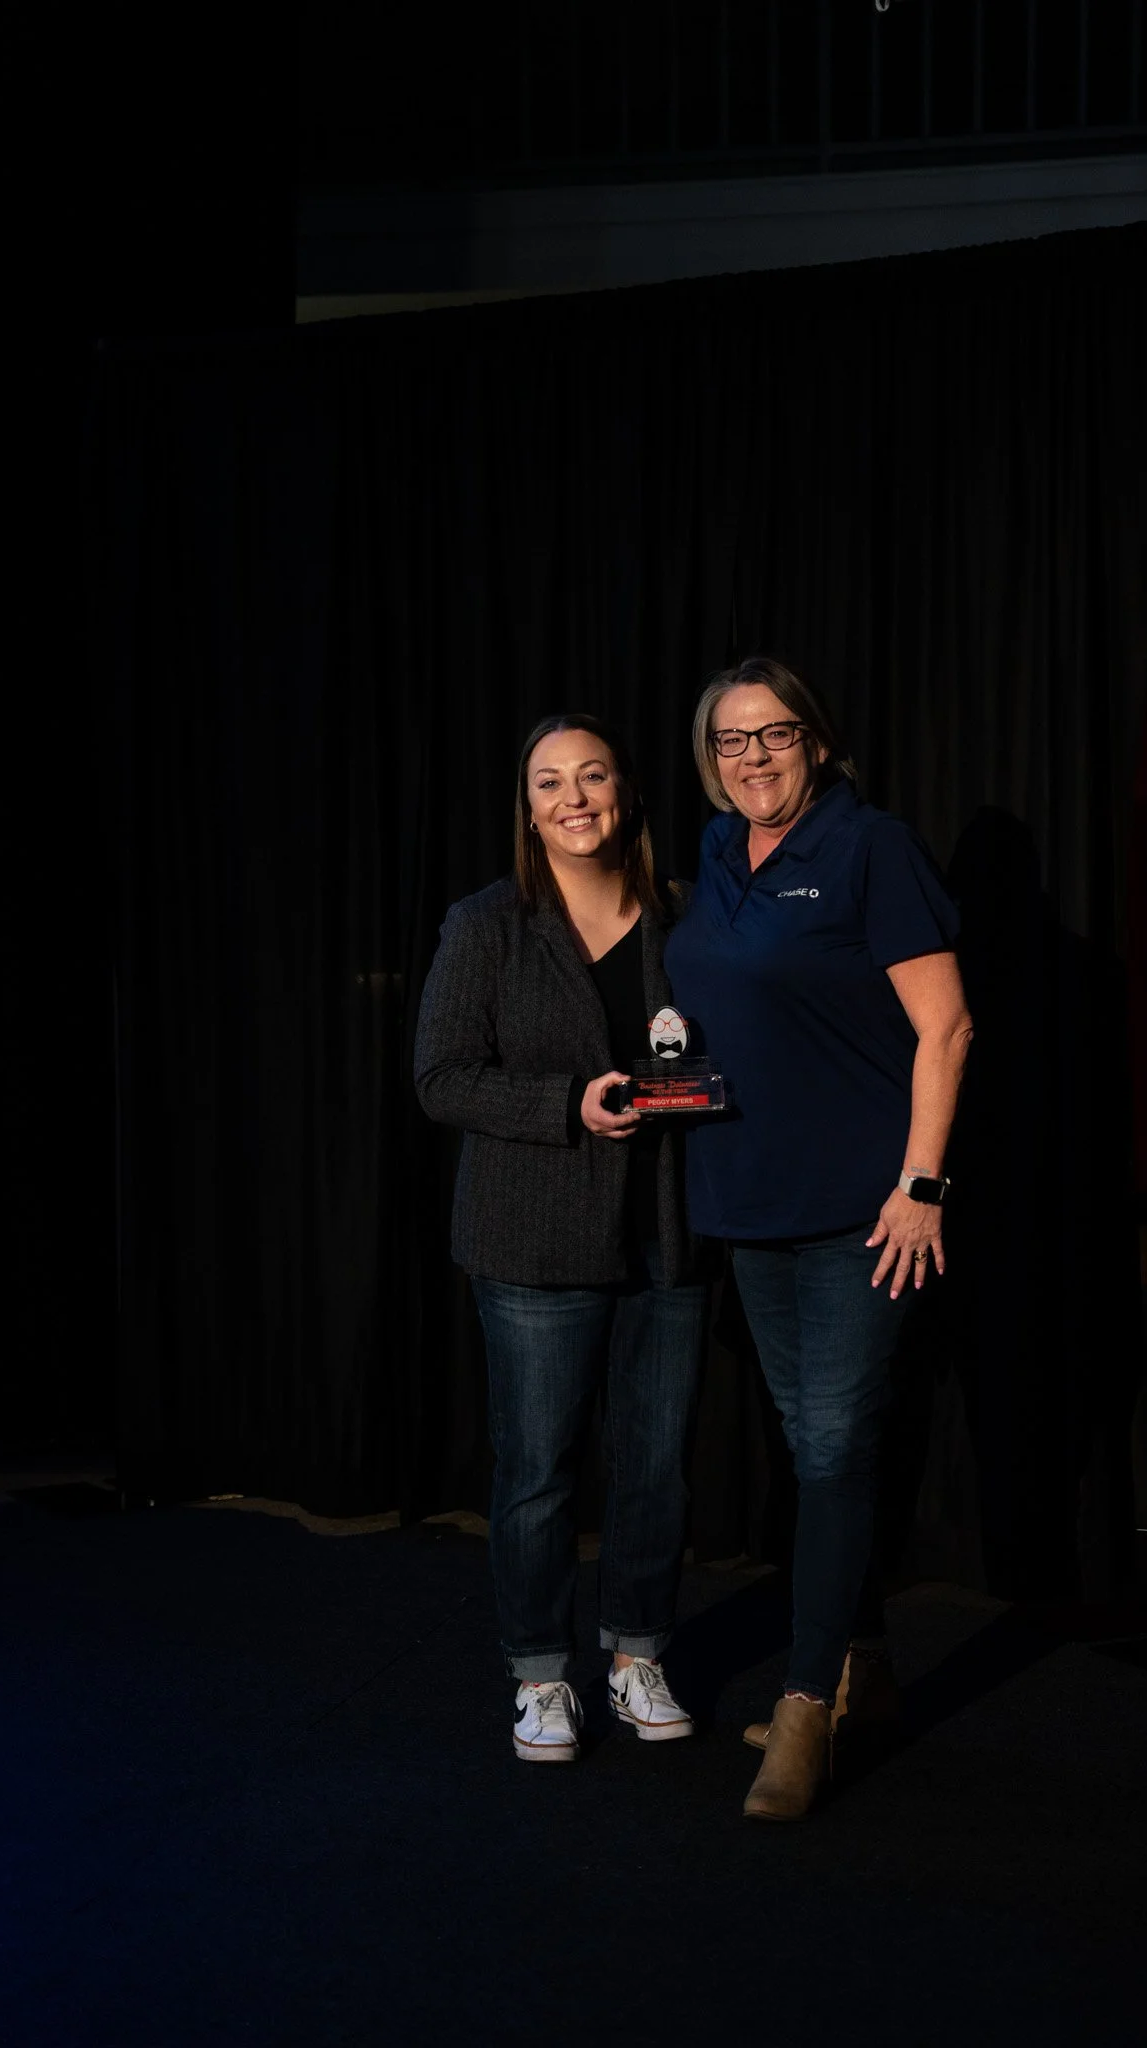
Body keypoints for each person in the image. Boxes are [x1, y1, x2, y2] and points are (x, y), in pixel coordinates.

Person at [665, 658, 972, 1820]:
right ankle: (869, 1669)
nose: (754, 757)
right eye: (731, 741)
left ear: (819, 743)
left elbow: (946, 1027)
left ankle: (804, 1707)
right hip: (746, 1197)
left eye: (775, 735)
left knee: (837, 1446)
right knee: (811, 1441)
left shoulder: (869, 845)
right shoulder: (714, 851)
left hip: (863, 1210)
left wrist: (923, 1184)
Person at [414, 713, 709, 1764]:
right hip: (534, 1238)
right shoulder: (488, 924)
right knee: (538, 1469)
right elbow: (441, 1077)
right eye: (550, 782)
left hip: (666, 1233)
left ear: (623, 792)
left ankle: (636, 1655)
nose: (574, 796)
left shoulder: (683, 913)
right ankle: (540, 1673)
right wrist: (563, 1106)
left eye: (592, 776)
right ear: (528, 807)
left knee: (656, 1464)